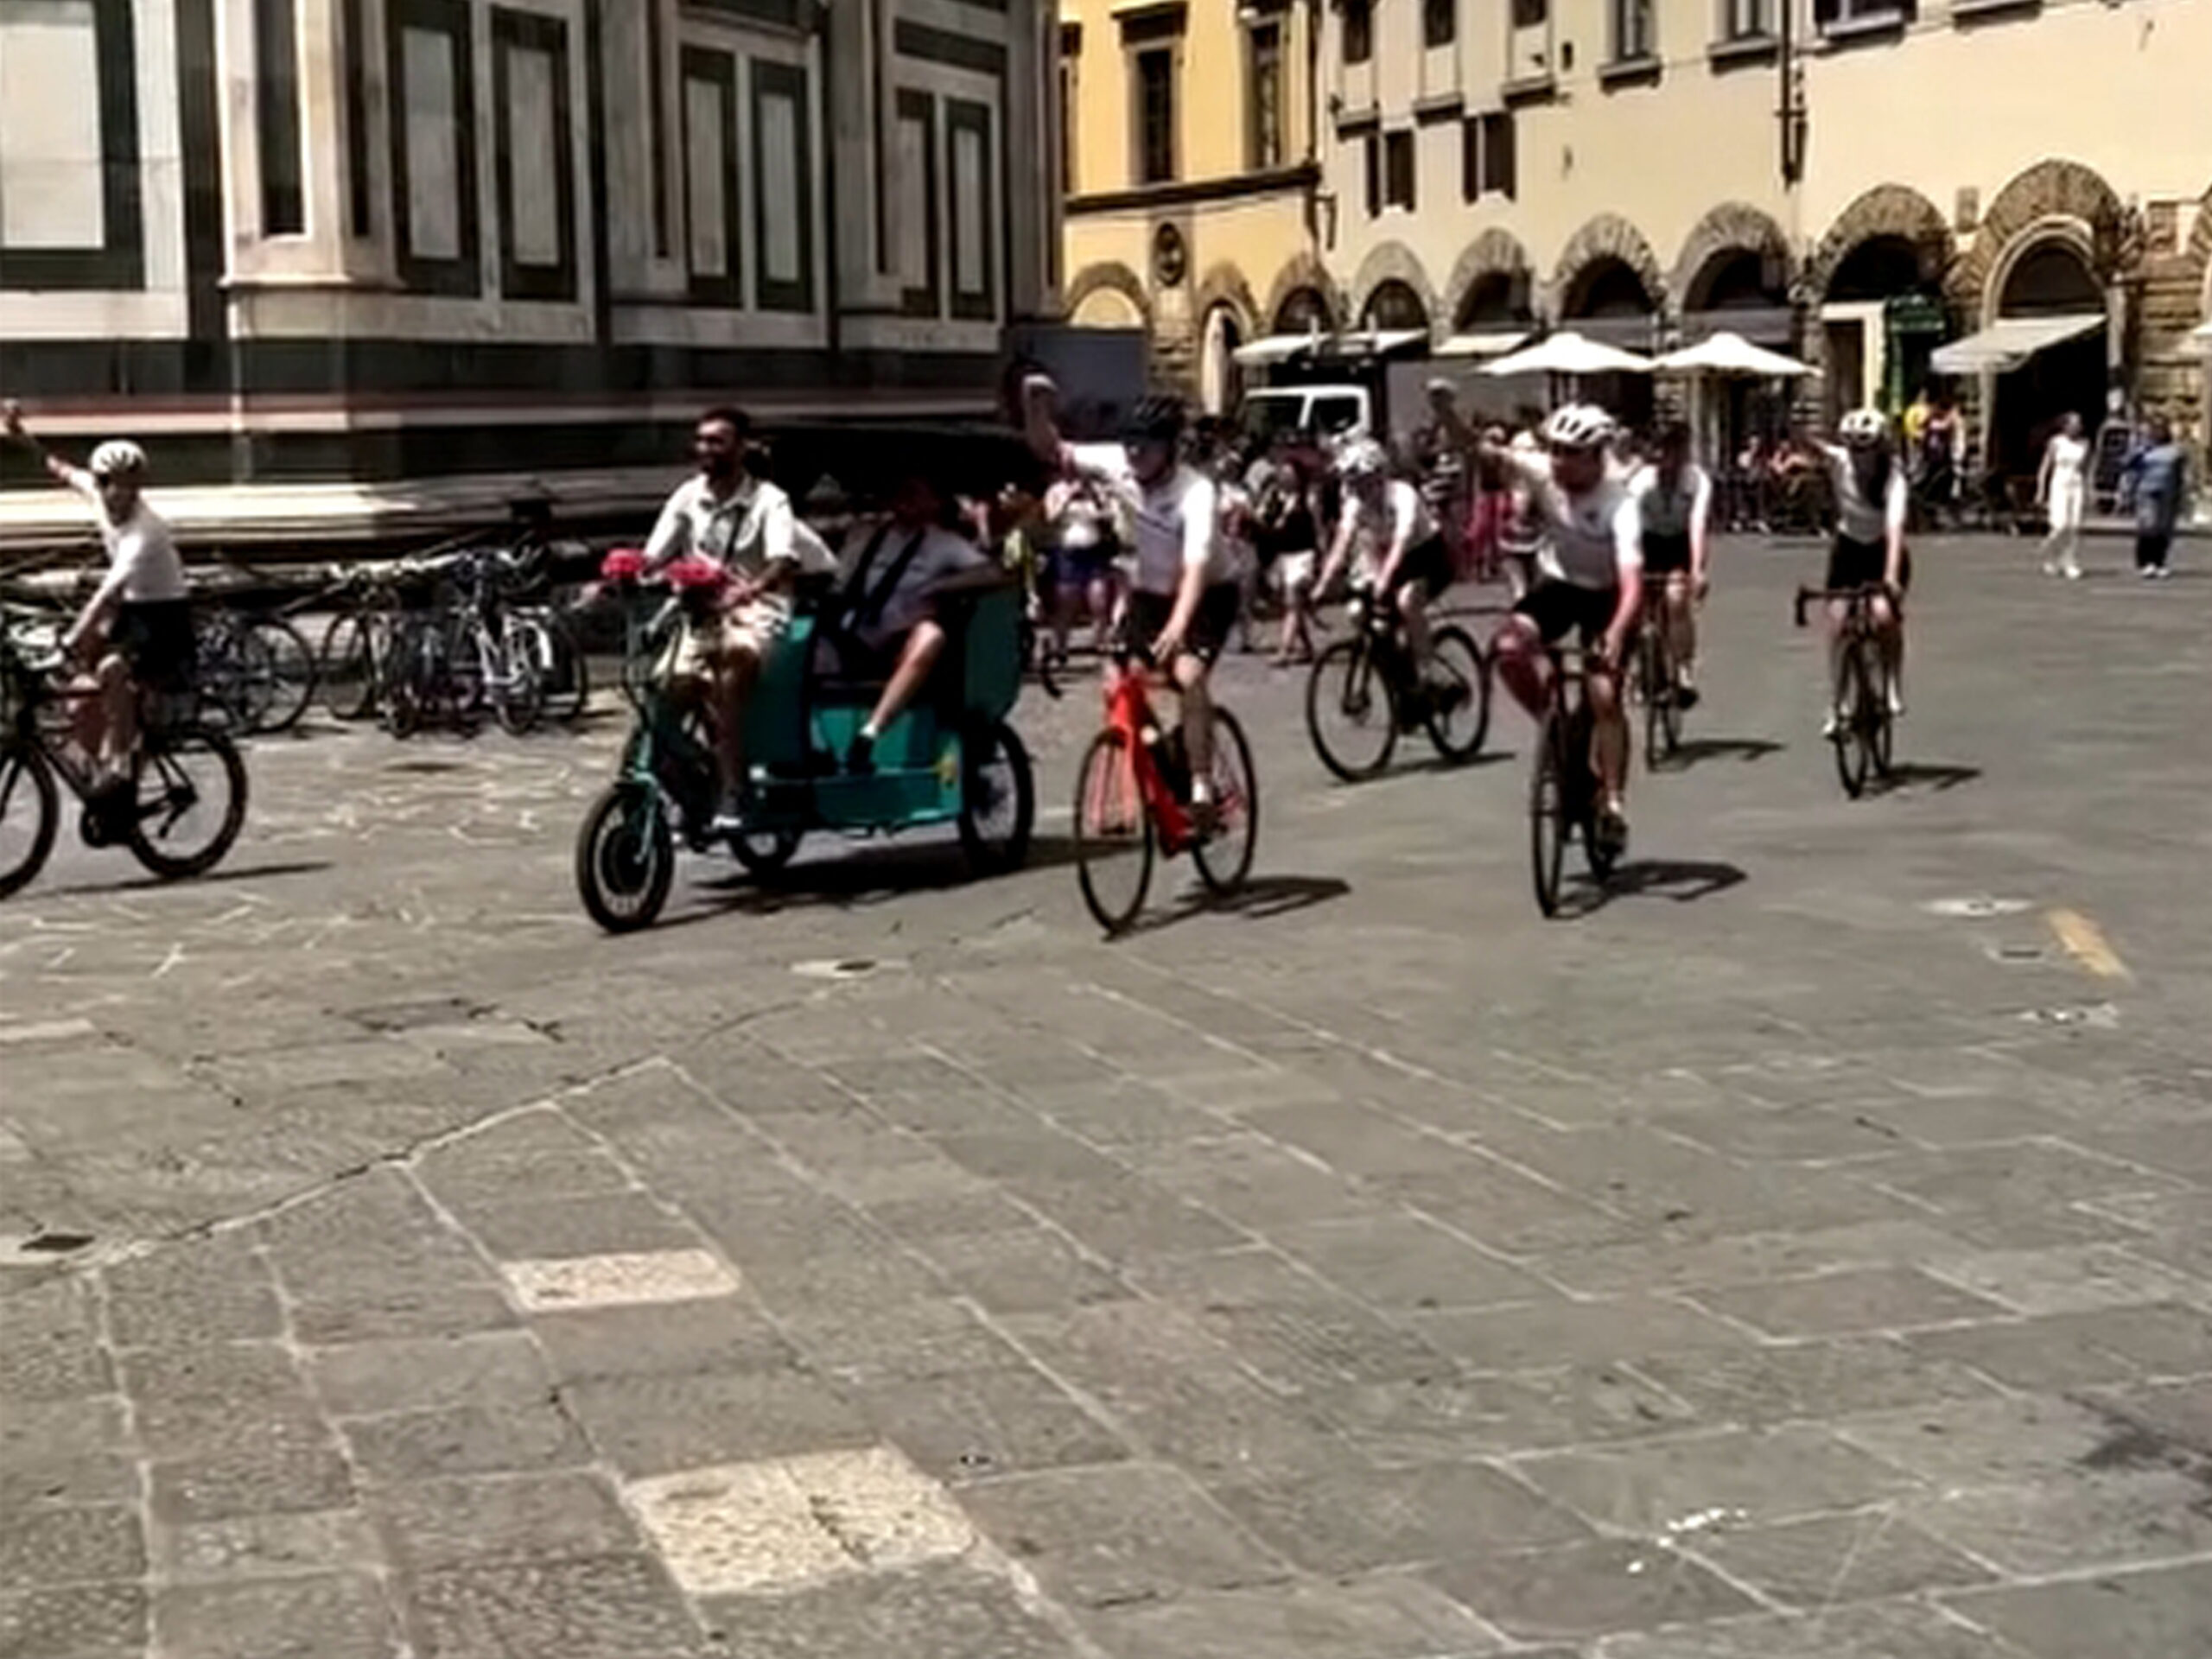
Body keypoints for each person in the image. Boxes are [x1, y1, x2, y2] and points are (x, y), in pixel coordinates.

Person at [1030, 389, 1239, 823]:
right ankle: (1158, 756)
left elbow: (1196, 567)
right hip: (1150, 590)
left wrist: (1180, 625)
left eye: (1146, 445)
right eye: (1130, 444)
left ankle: (1201, 786)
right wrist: (1034, 404)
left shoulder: (1195, 493)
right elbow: (1048, 448)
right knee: (1116, 677)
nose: (1135, 454)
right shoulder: (1120, 463)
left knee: (1186, 674)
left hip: (1209, 591)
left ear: (1171, 448)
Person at [2, 401, 193, 794]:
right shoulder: (95, 492)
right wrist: (20, 436)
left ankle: (121, 763)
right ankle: (96, 765)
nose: (117, 493)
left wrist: (74, 635)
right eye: (109, 482)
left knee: (112, 671)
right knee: (79, 695)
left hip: (163, 615)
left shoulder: (147, 531)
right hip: (131, 609)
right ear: (100, 481)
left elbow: (107, 593)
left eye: (128, 484)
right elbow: (58, 468)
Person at [1481, 405, 1644, 857]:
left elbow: (1632, 585)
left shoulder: (1620, 505)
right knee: (1509, 649)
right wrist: (1448, 413)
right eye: (1554, 451)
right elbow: (1485, 453)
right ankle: (1552, 724)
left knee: (1604, 695)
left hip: (1609, 596)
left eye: (1571, 453)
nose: (1559, 461)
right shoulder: (1542, 472)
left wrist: (1613, 636)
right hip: (1559, 585)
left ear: (1595, 456)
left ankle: (1612, 802)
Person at [642, 406, 800, 829]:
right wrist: (617, 576)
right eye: (701, 440)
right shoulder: (688, 496)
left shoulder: (770, 500)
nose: (705, 449)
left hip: (755, 613)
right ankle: (693, 779)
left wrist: (751, 588)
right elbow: (655, 554)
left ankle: (734, 788)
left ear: (741, 447)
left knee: (731, 668)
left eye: (717, 441)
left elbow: (783, 559)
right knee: (662, 690)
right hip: (700, 614)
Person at [824, 467, 1005, 772]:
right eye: (901, 493)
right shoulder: (865, 534)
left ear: (934, 503)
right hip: (852, 632)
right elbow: (837, 580)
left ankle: (871, 732)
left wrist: (939, 586)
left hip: (900, 639)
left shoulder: (942, 544)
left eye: (915, 494)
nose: (905, 501)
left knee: (931, 635)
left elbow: (993, 572)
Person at [1317, 438, 1458, 698]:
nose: (1359, 488)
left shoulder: (1403, 495)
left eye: (1364, 480)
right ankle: (1401, 684)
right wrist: (1322, 583)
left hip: (1428, 556)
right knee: (1360, 614)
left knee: (1407, 602)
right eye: (1353, 482)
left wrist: (1383, 579)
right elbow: (1341, 543)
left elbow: (1400, 544)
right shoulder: (1355, 502)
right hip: (1391, 560)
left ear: (1380, 475)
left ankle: (1430, 673)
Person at [1812, 409, 1911, 731]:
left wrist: (1891, 576)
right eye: (1853, 448)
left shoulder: (1893, 475)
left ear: (1880, 448)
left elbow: (1895, 528)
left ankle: (1892, 683)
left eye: (1866, 449)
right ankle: (1836, 701)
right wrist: (1793, 427)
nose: (1859, 456)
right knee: (1838, 621)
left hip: (1882, 548)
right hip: (1848, 546)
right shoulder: (1840, 462)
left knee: (1883, 615)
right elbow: (1812, 446)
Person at [1629, 423, 1714, 706]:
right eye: (1663, 451)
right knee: (1638, 608)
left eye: (1676, 451)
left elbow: (1697, 525)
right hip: (1648, 540)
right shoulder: (1641, 481)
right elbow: (1627, 526)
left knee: (1677, 598)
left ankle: (1683, 670)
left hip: (1679, 542)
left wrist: (1699, 571)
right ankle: (1644, 671)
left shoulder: (1696, 480)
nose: (1669, 459)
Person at [1410, 378, 1473, 571]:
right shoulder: (1434, 421)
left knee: (1452, 520)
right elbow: (1426, 447)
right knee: (1435, 517)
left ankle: (1457, 562)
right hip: (1437, 474)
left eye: (1438, 395)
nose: (1433, 400)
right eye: (1432, 396)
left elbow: (1462, 443)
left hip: (1452, 474)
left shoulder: (1454, 418)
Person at [2121, 415, 2189, 579]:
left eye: (2162, 429)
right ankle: (2145, 562)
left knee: (2164, 529)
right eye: (2156, 429)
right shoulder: (2143, 449)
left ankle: (2159, 562)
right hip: (2146, 492)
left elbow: (2181, 475)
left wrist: (2183, 496)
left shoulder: (2176, 451)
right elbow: (2127, 466)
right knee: (2148, 526)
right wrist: (2127, 492)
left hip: (2168, 492)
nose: (2159, 432)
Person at [2036, 411, 2089, 581]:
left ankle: (2069, 561)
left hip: (2076, 483)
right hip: (2059, 482)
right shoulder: (2056, 442)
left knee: (2074, 526)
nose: (2076, 427)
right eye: (2072, 423)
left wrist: (2089, 490)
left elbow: (2086, 468)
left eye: (2078, 424)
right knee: (2060, 524)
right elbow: (2046, 466)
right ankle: (2050, 552)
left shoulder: (2084, 444)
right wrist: (2041, 489)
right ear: (2065, 426)